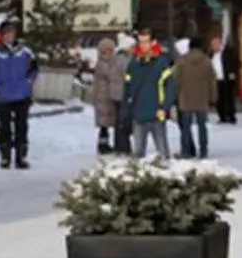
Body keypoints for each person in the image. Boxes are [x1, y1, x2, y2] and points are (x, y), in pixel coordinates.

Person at [0, 20, 37, 170]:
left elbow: (34, 68)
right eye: (6, 33)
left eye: (12, 33)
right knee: (4, 128)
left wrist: (29, 81)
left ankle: (21, 157)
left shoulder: (25, 50)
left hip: (22, 95)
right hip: (4, 96)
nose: (10, 36)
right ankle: (5, 157)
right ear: (2, 35)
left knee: (22, 127)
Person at [122, 28, 174, 160]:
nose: (143, 45)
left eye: (146, 42)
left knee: (163, 153)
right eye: (140, 42)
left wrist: (164, 107)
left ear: (153, 42)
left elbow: (170, 88)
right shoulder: (133, 64)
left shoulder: (162, 63)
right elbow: (127, 89)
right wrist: (127, 109)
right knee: (138, 153)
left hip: (157, 113)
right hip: (138, 114)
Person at [173, 36, 216, 159]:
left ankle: (186, 151)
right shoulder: (207, 61)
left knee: (186, 126)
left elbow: (176, 81)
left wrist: (175, 96)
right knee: (202, 126)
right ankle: (203, 150)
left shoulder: (182, 62)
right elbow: (211, 81)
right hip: (202, 98)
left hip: (185, 98)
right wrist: (212, 97)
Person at [88, 35, 127, 156]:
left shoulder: (103, 61)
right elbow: (111, 75)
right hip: (105, 97)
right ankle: (104, 145)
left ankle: (105, 144)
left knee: (105, 124)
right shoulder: (104, 62)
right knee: (107, 123)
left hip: (103, 96)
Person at [216, 34, 240, 125]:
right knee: (223, 97)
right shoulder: (221, 52)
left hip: (228, 76)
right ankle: (224, 115)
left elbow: (237, 63)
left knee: (228, 97)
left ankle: (229, 115)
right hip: (221, 77)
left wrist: (233, 72)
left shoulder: (230, 51)